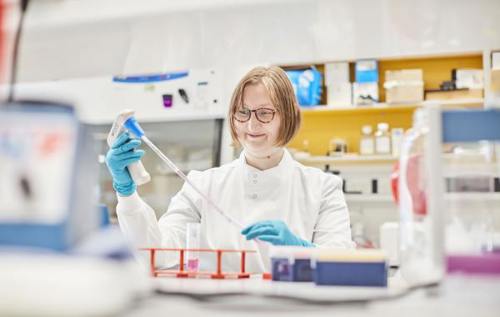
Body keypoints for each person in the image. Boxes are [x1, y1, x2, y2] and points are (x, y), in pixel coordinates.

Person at [106, 66, 354, 273]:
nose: (252, 123)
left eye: (265, 113)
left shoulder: (322, 187)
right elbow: (156, 254)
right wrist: (126, 193)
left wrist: (300, 248)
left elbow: (344, 265)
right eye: (242, 112)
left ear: (288, 116)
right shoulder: (202, 185)